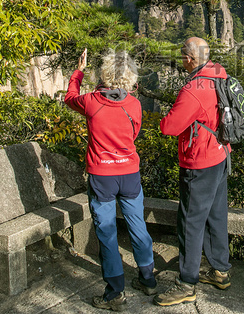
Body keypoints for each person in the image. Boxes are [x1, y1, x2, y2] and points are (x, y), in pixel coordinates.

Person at [63, 48, 157, 311]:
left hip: (101, 175)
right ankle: (148, 279)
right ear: (131, 76)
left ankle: (115, 292)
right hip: (129, 174)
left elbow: (70, 97)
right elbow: (134, 133)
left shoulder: (91, 101)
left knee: (106, 232)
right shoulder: (135, 104)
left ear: (104, 72)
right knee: (138, 225)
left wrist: (79, 71)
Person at [153, 37, 232, 307]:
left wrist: (165, 116)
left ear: (191, 59)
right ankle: (220, 271)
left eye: (183, 55)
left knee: (190, 221)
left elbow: (169, 127)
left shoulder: (193, 90)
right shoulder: (219, 72)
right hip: (221, 154)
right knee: (216, 214)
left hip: (199, 161)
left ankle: (186, 283)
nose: (180, 60)